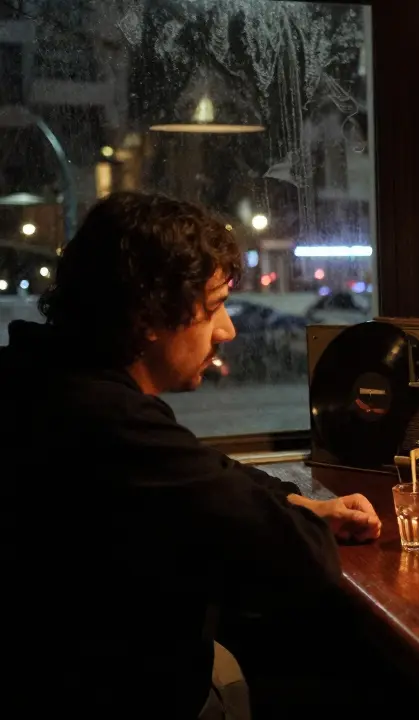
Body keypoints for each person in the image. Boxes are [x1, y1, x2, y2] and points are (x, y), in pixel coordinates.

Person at [0, 192, 381, 718]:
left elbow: (202, 470)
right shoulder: (108, 422)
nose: (228, 330)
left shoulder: (38, 375)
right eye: (214, 306)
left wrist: (297, 502)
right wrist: (302, 522)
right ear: (150, 313)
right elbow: (302, 560)